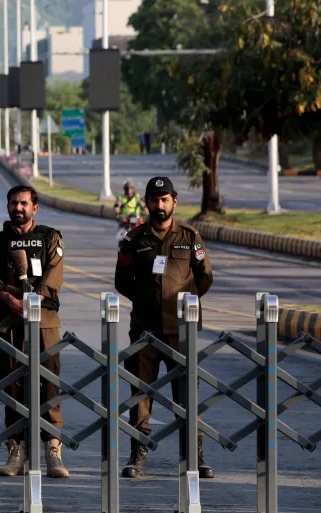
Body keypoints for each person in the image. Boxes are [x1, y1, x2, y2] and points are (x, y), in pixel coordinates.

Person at [114, 176, 214, 479]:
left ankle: (193, 457)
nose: (160, 205)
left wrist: (181, 304)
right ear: (147, 202)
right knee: (141, 393)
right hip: (145, 329)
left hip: (182, 328)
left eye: (165, 200)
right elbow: (121, 281)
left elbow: (204, 276)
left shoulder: (190, 236)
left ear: (174, 201)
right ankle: (138, 456)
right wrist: (148, 302)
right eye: (154, 200)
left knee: (187, 394)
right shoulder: (133, 240)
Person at [0, 185, 69, 479]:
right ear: (7, 206)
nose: (18, 208)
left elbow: (54, 274)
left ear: (35, 208)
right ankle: (16, 449)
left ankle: (52, 449)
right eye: (13, 203)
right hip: (10, 322)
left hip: (44, 322)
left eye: (24, 203)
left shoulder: (50, 237)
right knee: (12, 385)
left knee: (49, 385)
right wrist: (10, 299)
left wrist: (35, 299)